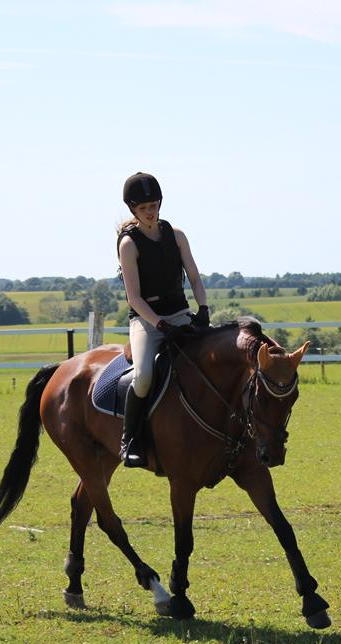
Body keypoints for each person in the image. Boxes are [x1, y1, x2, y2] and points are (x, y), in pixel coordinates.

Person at [117, 172, 209, 468]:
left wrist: (203, 308)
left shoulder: (177, 236)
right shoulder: (129, 245)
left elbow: (194, 276)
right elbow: (134, 298)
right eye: (144, 208)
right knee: (144, 375)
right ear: (133, 210)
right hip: (146, 322)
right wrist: (159, 325)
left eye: (154, 205)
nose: (151, 211)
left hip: (180, 314)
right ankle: (129, 439)